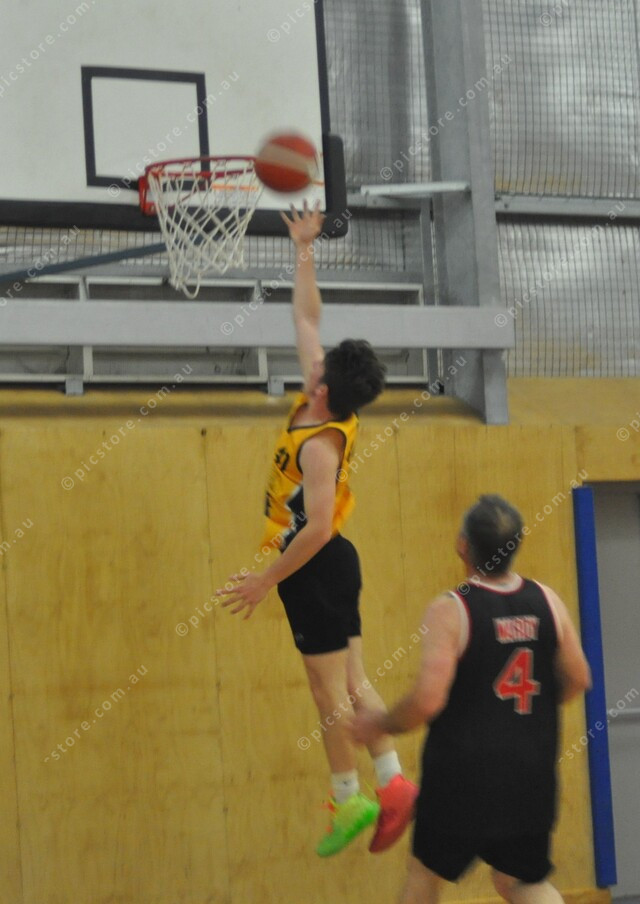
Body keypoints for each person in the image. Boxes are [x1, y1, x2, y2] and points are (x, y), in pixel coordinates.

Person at [217, 201, 418, 857]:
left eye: (322, 366)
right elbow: (306, 317)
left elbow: (319, 528)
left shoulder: (321, 448)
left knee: (326, 689)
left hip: (318, 565)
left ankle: (348, 797)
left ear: (327, 390)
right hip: (331, 564)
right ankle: (393, 782)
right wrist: (304, 248)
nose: (314, 361)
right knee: (352, 682)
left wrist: (265, 580)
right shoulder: (320, 393)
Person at [350, 494, 592, 904]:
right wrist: (527, 718)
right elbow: (579, 678)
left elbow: (427, 701)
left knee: (424, 876)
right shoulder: (548, 601)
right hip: (530, 775)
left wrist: (381, 723)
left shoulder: (452, 609)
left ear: (462, 545)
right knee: (520, 880)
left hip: (461, 778)